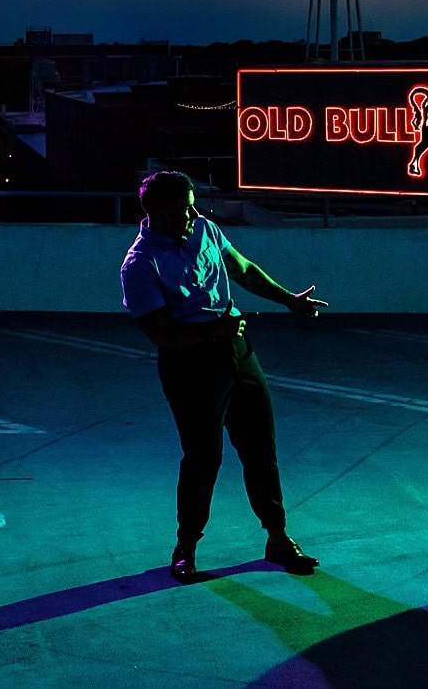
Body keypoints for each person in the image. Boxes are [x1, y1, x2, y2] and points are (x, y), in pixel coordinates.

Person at [120, 170, 328, 582]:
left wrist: (289, 301)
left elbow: (243, 269)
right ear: (159, 211)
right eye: (185, 206)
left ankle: (278, 538)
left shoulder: (206, 230)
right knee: (203, 458)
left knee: (260, 450)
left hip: (236, 352)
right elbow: (160, 333)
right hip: (190, 367)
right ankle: (186, 546)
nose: (194, 212)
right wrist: (212, 330)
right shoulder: (139, 264)